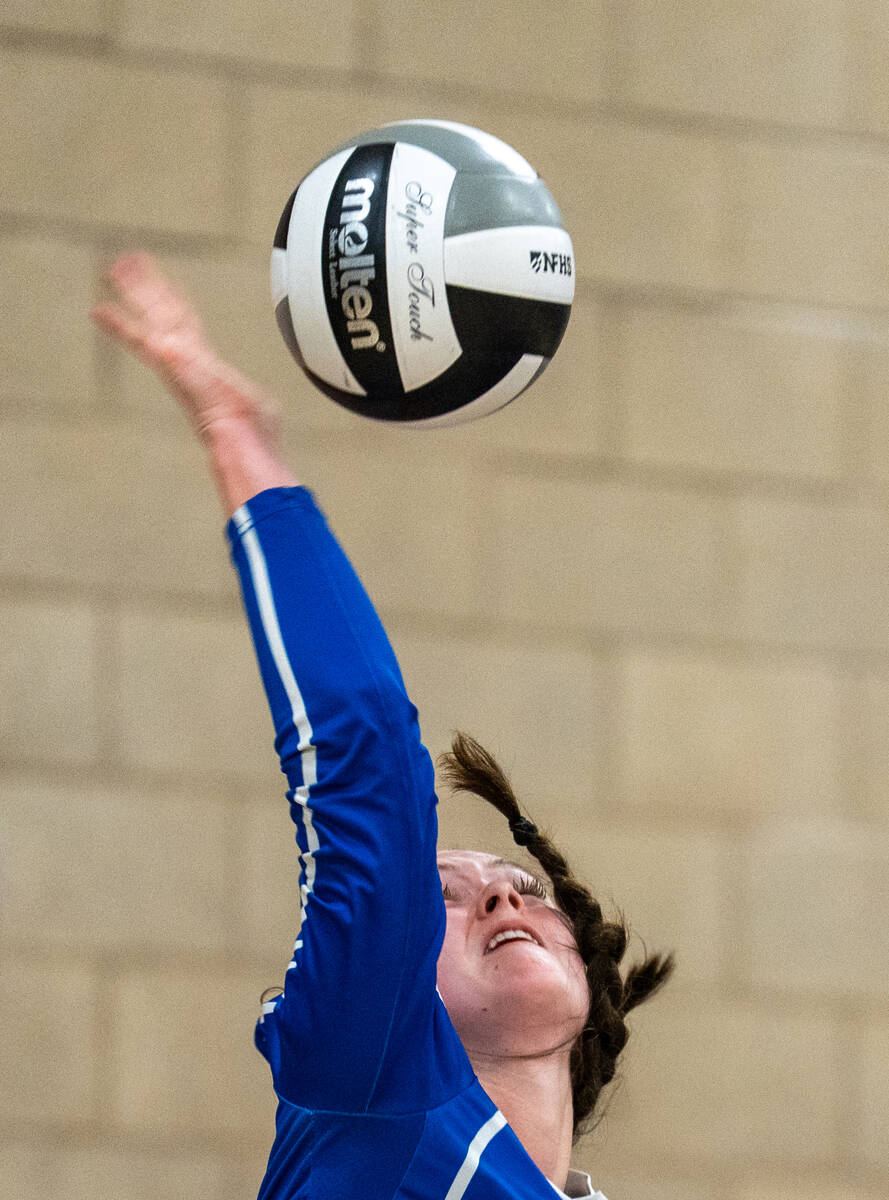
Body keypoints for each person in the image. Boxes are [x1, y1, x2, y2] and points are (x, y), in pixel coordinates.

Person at [91, 252, 673, 1200]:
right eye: (440, 893)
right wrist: (243, 447)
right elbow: (364, 751)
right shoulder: (374, 1095)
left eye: (521, 886)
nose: (500, 900)